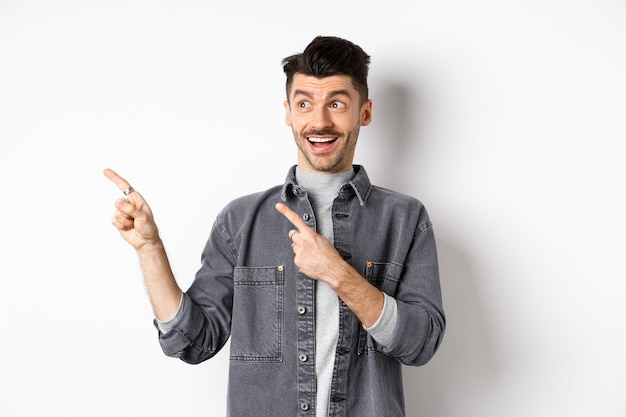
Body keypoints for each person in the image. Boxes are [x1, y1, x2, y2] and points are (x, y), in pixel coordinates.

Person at [105, 35, 445, 417]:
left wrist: (338, 273)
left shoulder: (405, 219)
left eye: (336, 104)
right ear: (288, 112)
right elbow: (193, 343)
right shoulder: (239, 221)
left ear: (364, 113)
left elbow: (422, 343)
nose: (319, 121)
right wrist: (149, 248)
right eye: (305, 104)